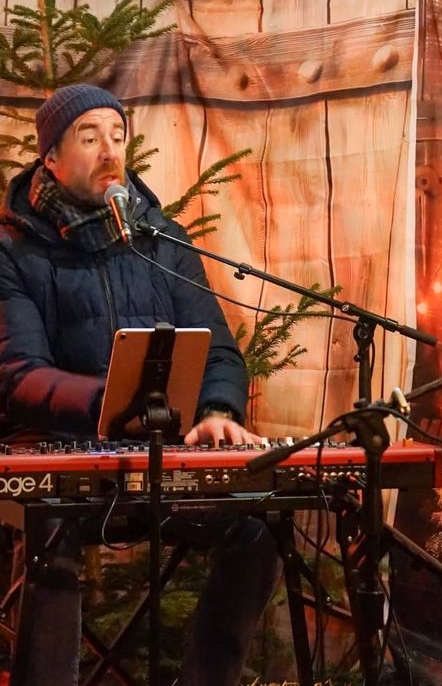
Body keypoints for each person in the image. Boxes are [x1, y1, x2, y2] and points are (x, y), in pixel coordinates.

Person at [0, 84, 282, 685]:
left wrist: (216, 407)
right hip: (59, 458)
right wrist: (111, 405)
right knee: (52, 529)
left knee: (256, 526)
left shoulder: (162, 240)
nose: (110, 150)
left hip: (160, 453)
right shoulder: (11, 249)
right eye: (90, 136)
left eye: (118, 136)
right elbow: (17, 375)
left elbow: (220, 349)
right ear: (50, 156)